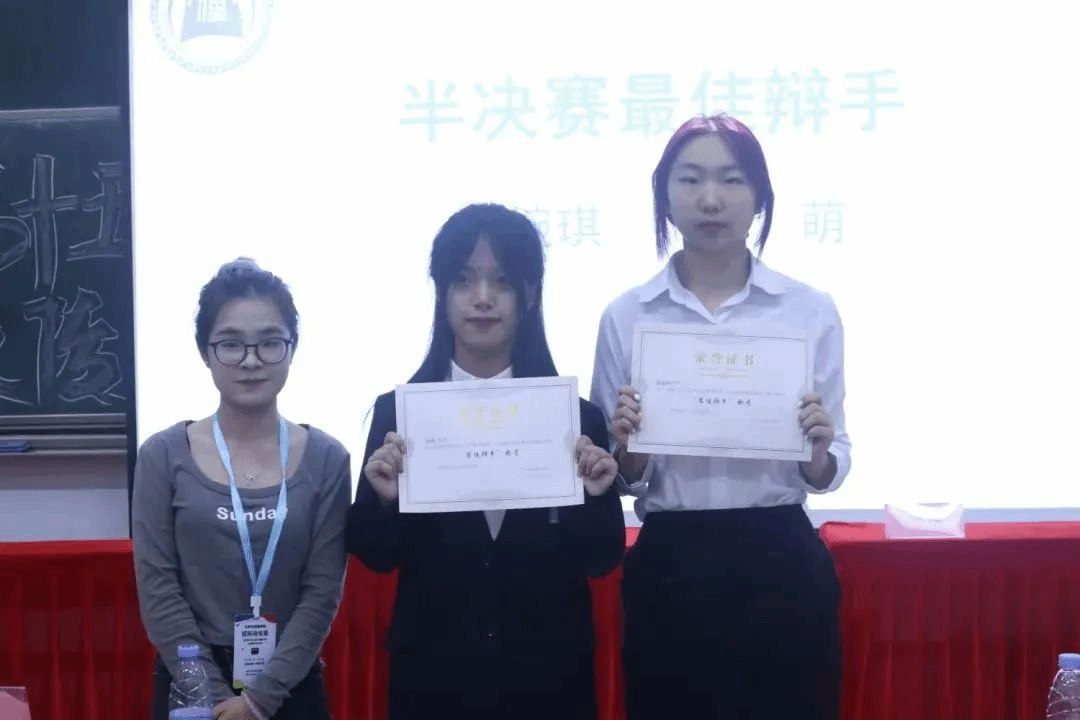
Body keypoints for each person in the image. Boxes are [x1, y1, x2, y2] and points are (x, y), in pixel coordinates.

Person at [590, 114, 851, 720]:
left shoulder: (808, 309)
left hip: (781, 557)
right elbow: (620, 474)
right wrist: (629, 450)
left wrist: (817, 455)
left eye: (732, 180)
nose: (711, 199)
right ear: (665, 197)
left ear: (760, 197)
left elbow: (834, 458)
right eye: (690, 179)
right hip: (671, 565)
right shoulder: (628, 315)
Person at [345, 203, 626, 720]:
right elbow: (376, 555)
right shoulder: (400, 412)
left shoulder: (575, 417)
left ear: (530, 294)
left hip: (550, 678)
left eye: (502, 281)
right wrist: (384, 502)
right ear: (441, 294)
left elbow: (603, 558)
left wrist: (595, 496)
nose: (482, 298)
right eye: (463, 280)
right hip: (434, 678)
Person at [133, 259, 350, 720]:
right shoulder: (162, 456)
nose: (251, 360)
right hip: (190, 686)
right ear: (205, 352)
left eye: (270, 342)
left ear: (292, 349)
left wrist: (257, 701)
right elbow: (158, 589)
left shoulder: (328, 459)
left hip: (290, 687)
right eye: (231, 344)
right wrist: (215, 698)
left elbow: (321, 594)